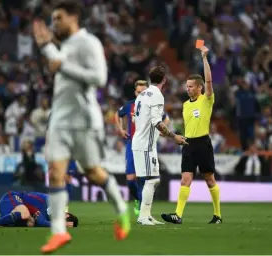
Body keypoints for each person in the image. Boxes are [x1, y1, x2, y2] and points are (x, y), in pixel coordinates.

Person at [32, 1, 130, 253]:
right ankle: (58, 232)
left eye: (58, 18)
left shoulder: (89, 43)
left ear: (73, 17)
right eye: (52, 19)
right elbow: (58, 64)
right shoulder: (64, 46)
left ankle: (121, 209)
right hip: (60, 121)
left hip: (85, 121)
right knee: (55, 171)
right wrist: (45, 47)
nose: (54, 23)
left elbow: (99, 78)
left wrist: (61, 63)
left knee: (93, 173)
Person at [161, 46, 222, 224]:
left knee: (209, 179)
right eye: (186, 86)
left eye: (190, 86)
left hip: (203, 143)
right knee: (185, 179)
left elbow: (209, 82)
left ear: (199, 87)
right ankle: (178, 215)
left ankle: (217, 215)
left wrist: (204, 58)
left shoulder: (207, 99)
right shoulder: (186, 104)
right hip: (188, 144)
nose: (187, 89)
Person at [132, 66, 187, 225]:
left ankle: (146, 215)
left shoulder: (141, 95)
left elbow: (139, 119)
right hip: (145, 144)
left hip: (142, 141)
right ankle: (143, 216)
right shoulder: (157, 95)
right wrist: (174, 136)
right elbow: (156, 121)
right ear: (164, 80)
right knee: (152, 180)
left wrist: (157, 132)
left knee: (153, 179)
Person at [115, 80, 170, 216]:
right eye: (139, 92)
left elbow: (165, 117)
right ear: (135, 92)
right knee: (130, 179)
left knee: (145, 178)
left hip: (147, 144)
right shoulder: (129, 105)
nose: (142, 94)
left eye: (144, 91)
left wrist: (162, 131)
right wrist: (121, 129)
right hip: (131, 144)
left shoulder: (151, 104)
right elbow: (118, 114)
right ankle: (137, 199)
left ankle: (143, 209)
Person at [0, 191, 78, 228]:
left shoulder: (48, 215)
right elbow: (41, 222)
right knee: (27, 215)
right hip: (12, 198)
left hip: (11, 210)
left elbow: (41, 221)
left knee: (30, 223)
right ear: (66, 215)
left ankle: (4, 222)